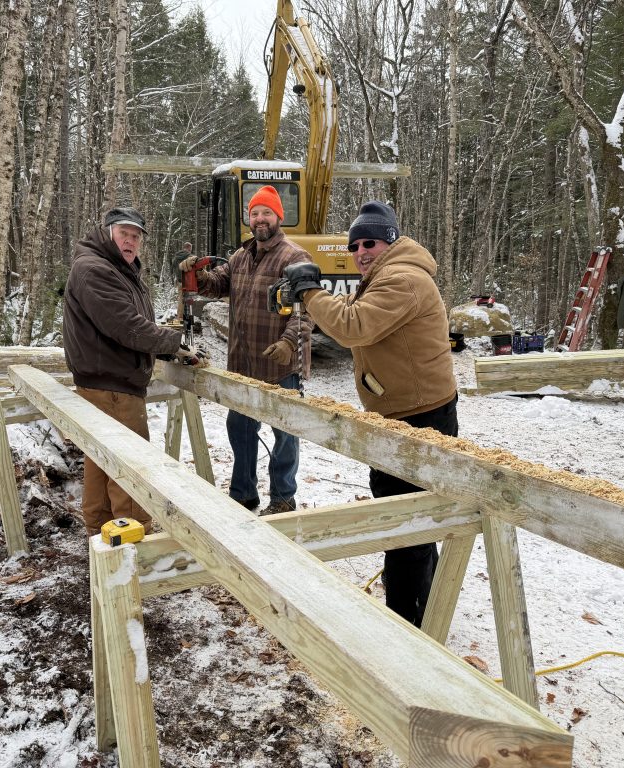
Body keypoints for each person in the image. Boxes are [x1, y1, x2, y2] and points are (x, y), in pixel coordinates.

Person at [280, 201, 458, 628]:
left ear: (390, 242)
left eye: (370, 243)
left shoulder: (403, 280)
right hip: (401, 412)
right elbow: (348, 316)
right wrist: (307, 305)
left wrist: (309, 292)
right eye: (355, 245)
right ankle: (425, 604)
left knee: (403, 523)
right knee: (412, 517)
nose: (360, 252)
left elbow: (352, 326)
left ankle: (404, 624)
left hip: (418, 418)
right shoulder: (383, 277)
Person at [63, 206, 206, 537]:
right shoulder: (95, 269)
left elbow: (128, 325)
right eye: (124, 234)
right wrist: (174, 342)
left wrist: (166, 346)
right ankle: (133, 542)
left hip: (105, 382)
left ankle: (100, 534)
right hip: (114, 387)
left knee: (102, 461)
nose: (130, 241)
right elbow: (126, 326)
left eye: (136, 237)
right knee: (130, 467)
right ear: (108, 233)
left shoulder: (115, 269)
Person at [177, 185, 313, 516]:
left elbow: (306, 310)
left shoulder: (294, 258)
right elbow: (215, 285)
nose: (260, 218)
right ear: (248, 219)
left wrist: (289, 342)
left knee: (285, 433)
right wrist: (196, 274)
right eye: (254, 213)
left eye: (267, 212)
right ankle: (243, 494)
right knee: (240, 428)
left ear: (279, 217)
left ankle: (283, 498)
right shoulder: (240, 257)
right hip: (242, 364)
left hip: (280, 366)